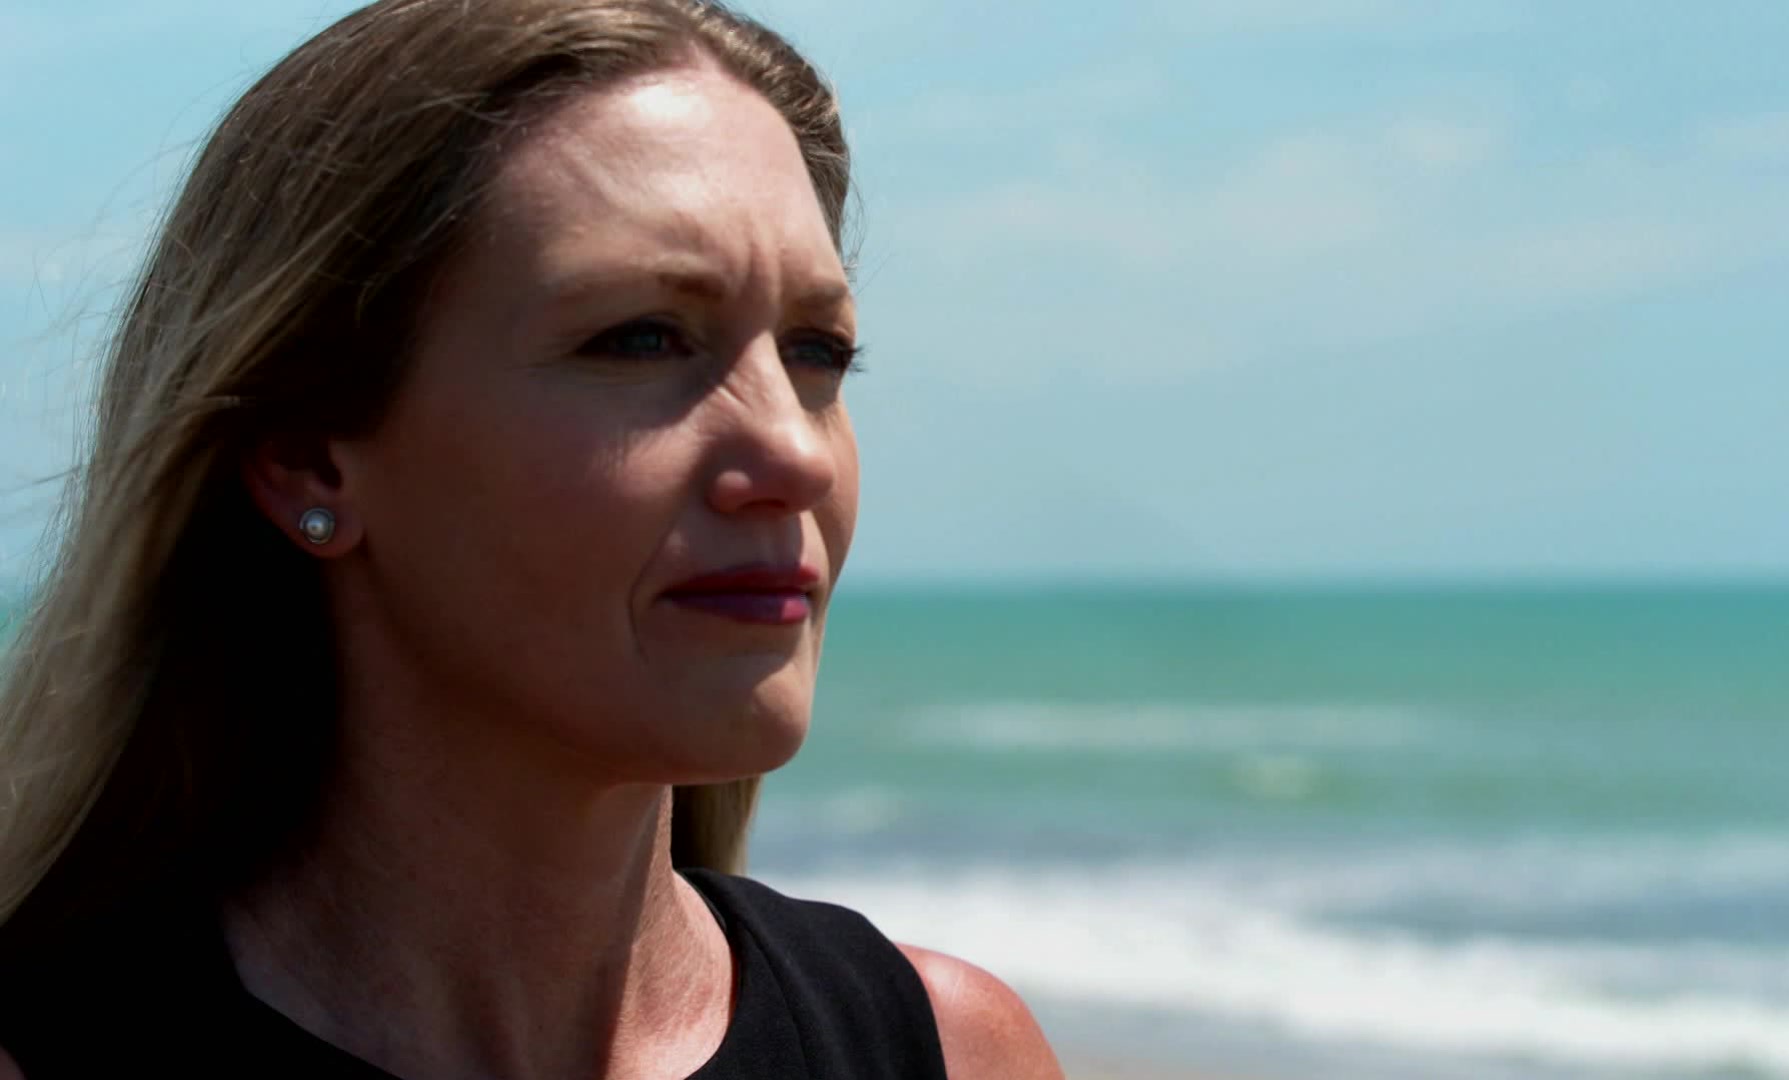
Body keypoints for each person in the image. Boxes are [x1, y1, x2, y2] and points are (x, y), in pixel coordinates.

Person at [0, 1, 1064, 1076]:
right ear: (309, 461)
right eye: (641, 338)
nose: (797, 453)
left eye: (818, 351)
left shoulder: (948, 1054)